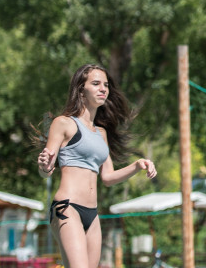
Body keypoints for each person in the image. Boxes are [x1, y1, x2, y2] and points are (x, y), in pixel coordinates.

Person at [36, 64, 156, 268]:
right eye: (96, 83)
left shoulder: (101, 133)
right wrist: (45, 166)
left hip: (92, 214)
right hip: (68, 207)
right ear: (81, 89)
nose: (103, 89)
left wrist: (137, 165)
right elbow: (45, 170)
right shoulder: (64, 123)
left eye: (106, 85)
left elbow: (107, 177)